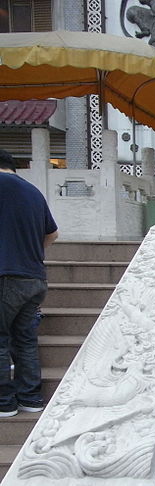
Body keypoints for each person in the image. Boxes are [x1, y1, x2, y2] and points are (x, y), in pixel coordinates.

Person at [0, 148, 59, 418]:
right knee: (24, 341)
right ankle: (31, 399)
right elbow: (53, 233)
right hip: (34, 277)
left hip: (5, 275)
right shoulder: (33, 192)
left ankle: (4, 402)